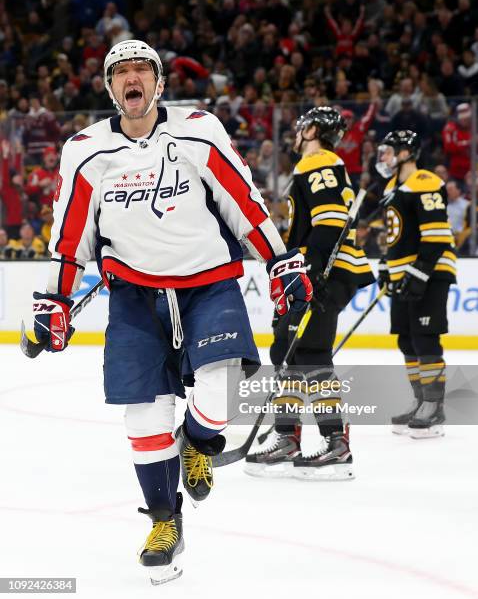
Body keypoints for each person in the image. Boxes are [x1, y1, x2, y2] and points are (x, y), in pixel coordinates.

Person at [30, 39, 311, 585]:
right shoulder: (84, 150)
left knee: (221, 387)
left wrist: (280, 261)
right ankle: (164, 521)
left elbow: (243, 201)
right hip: (136, 296)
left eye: (142, 70)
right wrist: (53, 298)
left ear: (159, 83)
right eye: (121, 73)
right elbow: (70, 236)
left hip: (208, 283)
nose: (131, 79)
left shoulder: (199, 131)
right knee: (142, 416)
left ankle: (199, 443)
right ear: (110, 88)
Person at [245, 106, 375, 480]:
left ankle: (337, 442)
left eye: (303, 127)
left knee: (312, 350)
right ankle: (287, 436)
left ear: (314, 130)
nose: (297, 133)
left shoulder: (318, 160)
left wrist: (312, 272)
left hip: (325, 273)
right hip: (313, 271)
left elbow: (330, 221)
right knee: (289, 351)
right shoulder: (314, 165)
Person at [375, 130, 456, 439]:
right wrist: (386, 265)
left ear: (407, 152)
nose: (383, 157)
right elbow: (396, 237)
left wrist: (420, 271)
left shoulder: (425, 181)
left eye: (388, 151)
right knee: (406, 340)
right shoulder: (392, 186)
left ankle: (435, 406)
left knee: (425, 338)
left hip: (431, 272)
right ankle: (420, 400)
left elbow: (436, 235)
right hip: (404, 274)